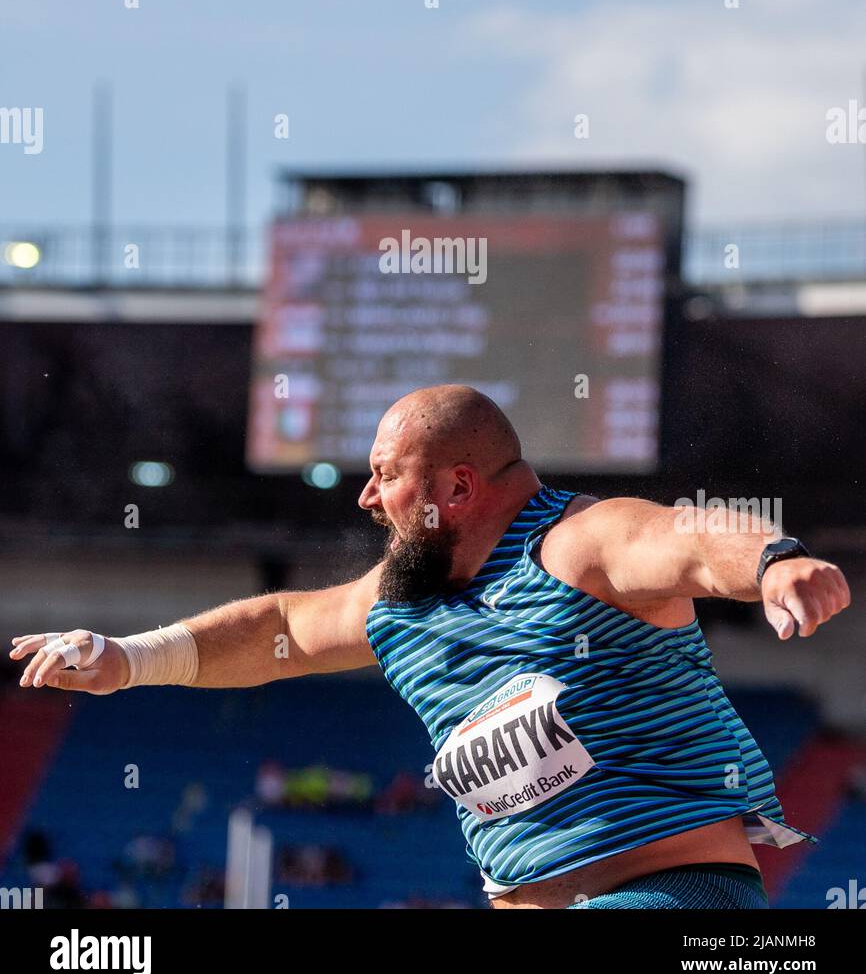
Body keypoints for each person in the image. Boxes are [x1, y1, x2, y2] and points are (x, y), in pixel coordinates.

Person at [10, 385, 851, 909]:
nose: (368, 497)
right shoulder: (402, 602)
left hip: (674, 895)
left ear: (458, 486)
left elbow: (692, 538)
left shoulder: (581, 542)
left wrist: (777, 564)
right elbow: (281, 630)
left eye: (386, 474)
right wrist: (125, 659)